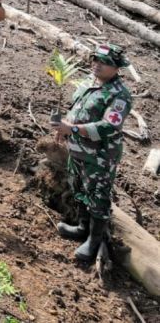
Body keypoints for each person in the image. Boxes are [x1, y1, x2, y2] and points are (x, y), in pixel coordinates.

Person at [53, 44, 132, 262]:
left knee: (98, 198)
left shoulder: (120, 95)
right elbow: (77, 109)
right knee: (79, 189)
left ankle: (94, 241)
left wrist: (74, 129)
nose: (97, 64)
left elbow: (109, 126)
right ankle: (81, 227)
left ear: (116, 68)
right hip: (78, 150)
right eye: (95, 59)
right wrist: (65, 128)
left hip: (100, 157)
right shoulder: (90, 82)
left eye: (104, 62)